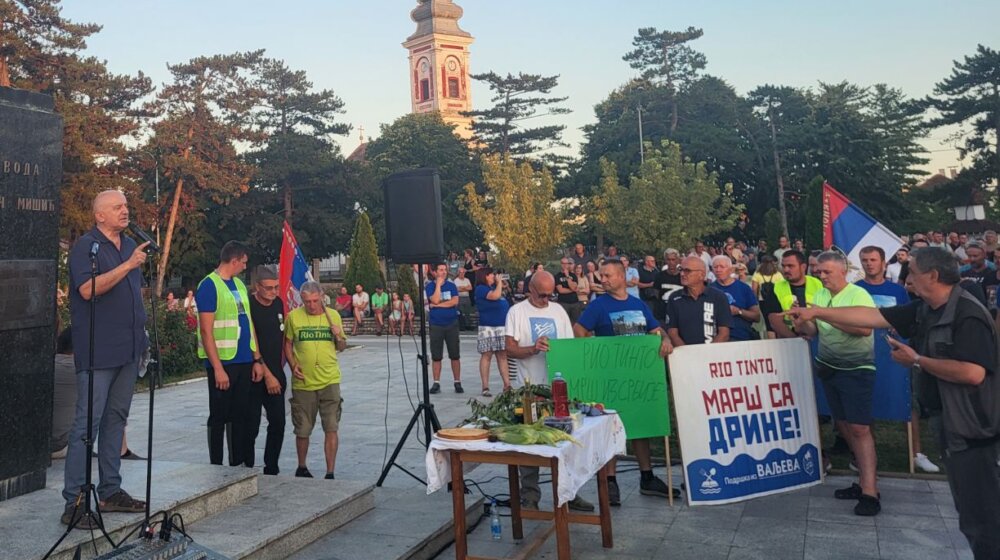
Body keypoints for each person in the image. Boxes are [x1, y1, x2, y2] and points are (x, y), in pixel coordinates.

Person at [789, 248, 1000, 555]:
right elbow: (871, 316)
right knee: (969, 512)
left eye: (912, 272)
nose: (906, 278)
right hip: (949, 421)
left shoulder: (968, 314)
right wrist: (817, 312)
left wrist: (917, 360)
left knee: (982, 516)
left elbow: (972, 373)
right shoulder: (925, 308)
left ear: (933, 276)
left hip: (972, 427)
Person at [62, 190, 149, 528]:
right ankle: (75, 501)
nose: (125, 211)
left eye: (126, 205)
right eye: (117, 207)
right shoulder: (87, 246)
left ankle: (111, 490)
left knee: (117, 419)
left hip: (128, 349)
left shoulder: (129, 245)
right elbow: (87, 290)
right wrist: (128, 266)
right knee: (87, 425)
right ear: (100, 215)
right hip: (99, 350)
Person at [574, 260, 674, 506]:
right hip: (609, 378)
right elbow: (579, 330)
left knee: (640, 426)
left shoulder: (637, 304)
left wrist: (665, 339)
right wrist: (596, 351)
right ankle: (610, 482)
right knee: (610, 428)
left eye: (607, 275)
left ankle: (647, 476)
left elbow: (656, 329)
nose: (603, 279)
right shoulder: (598, 306)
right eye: (601, 275)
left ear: (621, 276)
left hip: (638, 376)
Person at [789, 251, 881, 516]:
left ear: (844, 272)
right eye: (819, 271)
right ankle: (863, 480)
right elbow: (814, 331)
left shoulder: (858, 295)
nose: (821, 275)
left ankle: (870, 492)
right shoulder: (820, 296)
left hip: (856, 368)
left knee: (860, 428)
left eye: (827, 271)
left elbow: (864, 328)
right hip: (828, 366)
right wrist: (801, 323)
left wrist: (821, 314)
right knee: (842, 424)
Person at [504, 271, 595, 513]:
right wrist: (533, 349)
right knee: (528, 443)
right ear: (530, 290)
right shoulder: (517, 312)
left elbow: (568, 346)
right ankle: (530, 495)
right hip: (528, 388)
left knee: (566, 441)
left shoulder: (558, 311)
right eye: (542, 295)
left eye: (550, 294)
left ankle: (570, 492)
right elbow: (510, 349)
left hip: (557, 387)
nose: (546, 299)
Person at [856, 247, 940, 474]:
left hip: (895, 354)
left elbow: (908, 318)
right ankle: (868, 455)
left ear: (883, 262)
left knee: (906, 400)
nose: (868, 264)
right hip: (865, 354)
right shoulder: (856, 289)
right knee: (867, 403)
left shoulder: (898, 290)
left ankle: (917, 454)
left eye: (873, 260)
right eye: (864, 260)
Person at [196, 241, 267, 468]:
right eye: (244, 262)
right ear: (234, 260)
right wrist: (217, 368)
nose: (245, 267)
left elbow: (248, 322)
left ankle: (237, 462)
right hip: (223, 362)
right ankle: (216, 463)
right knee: (219, 415)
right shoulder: (209, 285)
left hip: (244, 359)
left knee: (240, 415)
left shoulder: (238, 284)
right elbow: (206, 330)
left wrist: (257, 358)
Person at [284, 281, 348, 479]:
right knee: (302, 428)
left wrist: (338, 336)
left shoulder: (333, 315)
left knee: (331, 426)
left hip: (329, 380)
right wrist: (293, 364)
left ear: (322, 297)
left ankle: (330, 471)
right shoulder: (294, 317)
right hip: (304, 383)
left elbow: (342, 347)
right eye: (306, 301)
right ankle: (302, 466)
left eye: (314, 301)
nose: (311, 305)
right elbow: (287, 343)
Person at [247, 266, 287, 475]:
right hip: (256, 374)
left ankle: (271, 466)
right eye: (269, 288)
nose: (274, 292)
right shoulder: (249, 305)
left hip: (276, 373)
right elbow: (252, 339)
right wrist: (266, 371)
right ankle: (247, 467)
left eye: (276, 287)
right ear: (257, 287)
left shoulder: (278, 304)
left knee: (278, 422)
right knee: (251, 424)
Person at [666, 256, 732, 346]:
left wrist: (706, 353)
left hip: (712, 354)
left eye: (687, 271)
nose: (682, 274)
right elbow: (672, 332)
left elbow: (724, 333)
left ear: (701, 275)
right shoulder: (674, 298)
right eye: (681, 269)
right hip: (685, 355)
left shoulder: (718, 297)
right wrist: (687, 353)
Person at [764, 250, 823, 339]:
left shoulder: (818, 284)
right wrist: (795, 340)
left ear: (803, 267)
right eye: (783, 266)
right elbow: (774, 320)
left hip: (818, 340)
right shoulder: (776, 287)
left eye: (790, 266)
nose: (786, 270)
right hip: (789, 342)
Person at [474, 268, 512, 396]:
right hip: (488, 327)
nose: (494, 277)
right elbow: (495, 296)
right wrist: (499, 283)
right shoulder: (481, 289)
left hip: (501, 326)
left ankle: (507, 384)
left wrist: (502, 284)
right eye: (492, 275)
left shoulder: (494, 287)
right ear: (485, 276)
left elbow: (502, 294)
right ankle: (485, 386)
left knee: (502, 356)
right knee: (487, 355)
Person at [427, 263, 463, 393]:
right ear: (435, 272)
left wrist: (436, 306)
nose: (443, 272)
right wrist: (438, 285)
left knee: (455, 354)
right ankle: (436, 382)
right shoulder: (430, 286)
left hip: (451, 323)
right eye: (441, 270)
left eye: (445, 270)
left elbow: (454, 302)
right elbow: (435, 299)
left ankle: (457, 381)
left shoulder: (452, 286)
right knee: (436, 355)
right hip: (436, 324)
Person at [709, 256, 759, 341]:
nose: (718, 270)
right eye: (715, 267)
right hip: (716, 338)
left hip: (741, 336)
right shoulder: (709, 289)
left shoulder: (744, 288)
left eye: (722, 267)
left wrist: (738, 311)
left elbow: (757, 317)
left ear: (731, 269)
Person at [960, 242, 999, 310]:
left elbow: (992, 302)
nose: (972, 259)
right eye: (969, 256)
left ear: (984, 255)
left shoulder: (992, 272)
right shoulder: (962, 272)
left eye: (975, 256)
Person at [654, 249, 683, 321]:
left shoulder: (683, 276)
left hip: (680, 313)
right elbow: (656, 294)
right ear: (665, 261)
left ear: (678, 260)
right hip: (662, 313)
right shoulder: (659, 276)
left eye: (673, 259)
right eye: (668, 260)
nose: (671, 262)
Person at [554, 257, 582, 323]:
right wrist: (573, 290)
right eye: (563, 263)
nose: (565, 265)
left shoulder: (573, 275)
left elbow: (573, 287)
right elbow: (561, 290)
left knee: (576, 323)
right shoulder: (557, 276)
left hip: (575, 303)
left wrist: (567, 276)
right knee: (564, 322)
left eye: (566, 263)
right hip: (563, 303)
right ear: (561, 264)